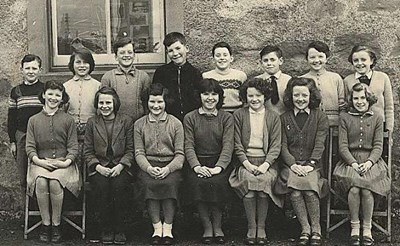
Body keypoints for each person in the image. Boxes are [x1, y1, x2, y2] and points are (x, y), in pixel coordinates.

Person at [333, 83, 391, 246]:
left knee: (366, 189)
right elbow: (343, 146)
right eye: (356, 98)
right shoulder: (344, 117)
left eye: (363, 98)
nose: (359, 102)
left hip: (371, 161)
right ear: (351, 100)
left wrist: (369, 162)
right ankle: (354, 225)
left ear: (369, 99)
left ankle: (367, 227)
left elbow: (378, 145)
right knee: (354, 188)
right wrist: (352, 163)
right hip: (349, 161)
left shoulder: (377, 117)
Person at [274, 77, 329, 246]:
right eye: (296, 95)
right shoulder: (284, 118)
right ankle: (305, 228)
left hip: (313, 166)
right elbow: (282, 145)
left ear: (311, 96)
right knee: (296, 192)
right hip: (290, 166)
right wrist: (293, 164)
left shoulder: (320, 117)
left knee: (311, 190)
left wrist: (311, 164)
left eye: (304, 95)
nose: (300, 99)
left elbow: (320, 144)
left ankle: (316, 229)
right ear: (290, 96)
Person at [229, 78, 283, 245]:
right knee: (251, 188)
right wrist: (248, 164)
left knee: (263, 185)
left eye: (258, 96)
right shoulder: (239, 115)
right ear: (245, 97)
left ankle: (262, 227)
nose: (254, 99)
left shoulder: (273, 117)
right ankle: (251, 227)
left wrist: (266, 165)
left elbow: (276, 145)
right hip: (245, 162)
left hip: (267, 162)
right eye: (250, 96)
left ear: (265, 96)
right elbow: (237, 144)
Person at [25, 80, 80, 243]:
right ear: (43, 95)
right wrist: (40, 162)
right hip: (40, 163)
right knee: (41, 182)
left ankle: (56, 225)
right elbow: (29, 147)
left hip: (64, 164)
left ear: (62, 98)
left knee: (55, 182)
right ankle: (45, 224)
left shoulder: (68, 120)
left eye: (58, 94)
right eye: (50, 93)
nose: (53, 98)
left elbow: (73, 148)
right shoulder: (33, 120)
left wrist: (65, 163)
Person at [183, 79, 234, 244]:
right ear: (199, 96)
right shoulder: (190, 117)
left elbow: (228, 146)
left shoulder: (226, 118)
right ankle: (206, 226)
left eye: (214, 94)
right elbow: (188, 145)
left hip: (219, 163)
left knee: (217, 183)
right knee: (198, 183)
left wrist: (219, 168)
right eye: (205, 94)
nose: (210, 98)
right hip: (197, 162)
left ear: (219, 97)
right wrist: (196, 167)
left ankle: (217, 226)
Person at [134, 83, 184, 245]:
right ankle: (156, 228)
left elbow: (180, 154)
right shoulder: (139, 124)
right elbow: (139, 153)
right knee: (149, 183)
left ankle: (168, 228)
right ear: (146, 103)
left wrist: (168, 169)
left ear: (166, 102)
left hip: (171, 166)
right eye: (152, 102)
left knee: (170, 183)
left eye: (160, 102)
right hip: (148, 165)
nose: (156, 106)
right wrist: (148, 168)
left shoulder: (176, 123)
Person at [84, 87, 134, 245]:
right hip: (100, 166)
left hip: (121, 166)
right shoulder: (92, 122)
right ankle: (105, 228)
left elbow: (130, 150)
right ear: (97, 104)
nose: (105, 106)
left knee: (119, 187)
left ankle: (120, 229)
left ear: (115, 103)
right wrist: (97, 167)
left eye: (108, 102)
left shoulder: (126, 121)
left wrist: (120, 166)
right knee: (102, 186)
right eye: (101, 103)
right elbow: (87, 151)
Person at [7, 54, 44, 188]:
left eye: (34, 68)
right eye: (27, 68)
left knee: (40, 174)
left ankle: (40, 207)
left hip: (42, 136)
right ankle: (26, 208)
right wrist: (13, 141)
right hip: (22, 136)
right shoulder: (16, 91)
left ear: (40, 70)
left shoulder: (45, 89)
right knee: (23, 176)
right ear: (21, 70)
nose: (31, 71)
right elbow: (11, 118)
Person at [343, 45, 394, 133]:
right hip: (356, 128)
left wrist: (389, 129)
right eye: (355, 60)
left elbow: (389, 107)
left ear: (371, 61)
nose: (359, 63)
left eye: (363, 59)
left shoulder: (383, 77)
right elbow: (346, 106)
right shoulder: (348, 80)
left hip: (380, 126)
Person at [153, 32, 202, 121]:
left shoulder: (195, 73)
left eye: (178, 48)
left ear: (186, 48)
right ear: (167, 53)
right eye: (171, 51)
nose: (175, 53)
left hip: (191, 120)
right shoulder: (161, 72)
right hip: (168, 120)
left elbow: (199, 99)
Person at [64, 48, 101, 165]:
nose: (82, 66)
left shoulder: (98, 86)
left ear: (91, 64)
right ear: (72, 64)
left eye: (85, 62)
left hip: (92, 131)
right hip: (71, 132)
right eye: (78, 62)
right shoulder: (66, 86)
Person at [101, 37, 151, 122]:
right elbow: (102, 103)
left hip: (138, 123)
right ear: (116, 57)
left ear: (134, 55)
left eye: (130, 52)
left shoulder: (143, 77)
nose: (126, 55)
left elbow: (147, 103)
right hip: (116, 125)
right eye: (122, 53)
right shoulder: (108, 77)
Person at [301, 41, 346, 127]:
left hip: (334, 126)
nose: (316, 60)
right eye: (312, 57)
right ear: (307, 59)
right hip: (310, 125)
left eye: (320, 56)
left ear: (326, 58)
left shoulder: (336, 78)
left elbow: (342, 104)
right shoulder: (302, 80)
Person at [202, 41, 247, 112]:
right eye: (218, 55)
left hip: (237, 112)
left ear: (231, 58)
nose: (222, 58)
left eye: (225, 55)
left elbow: (246, 98)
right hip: (216, 113)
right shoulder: (206, 76)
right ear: (213, 59)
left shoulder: (241, 76)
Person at [255, 45, 292, 115]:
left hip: (285, 119)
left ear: (280, 61)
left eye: (272, 60)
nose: (269, 63)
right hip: (264, 119)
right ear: (261, 62)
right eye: (265, 60)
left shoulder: (289, 80)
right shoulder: (256, 81)